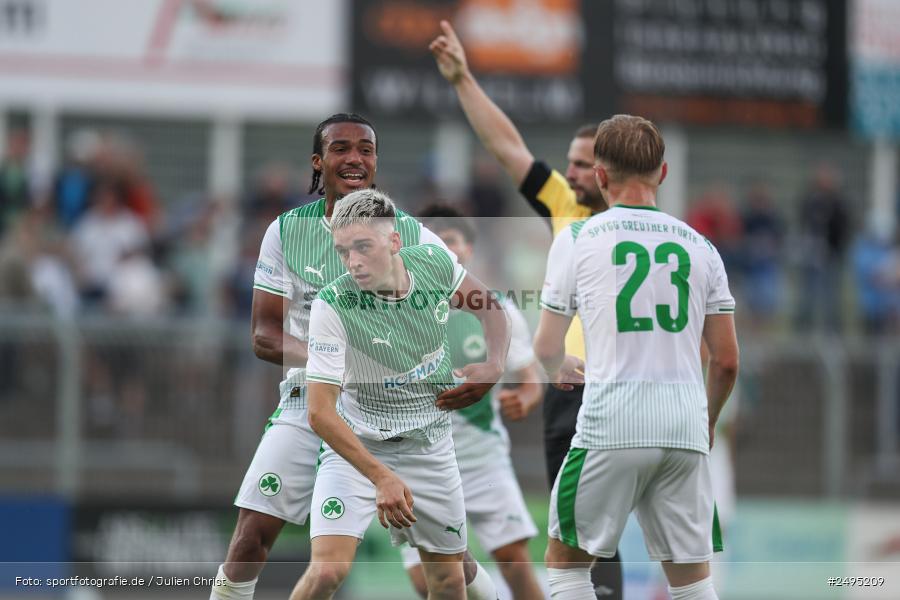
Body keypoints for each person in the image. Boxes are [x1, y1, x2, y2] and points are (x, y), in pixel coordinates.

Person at [209, 114, 497, 600]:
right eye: (341, 148)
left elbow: (479, 302)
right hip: (311, 401)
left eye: (366, 149)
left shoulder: (408, 233)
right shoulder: (285, 231)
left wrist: (489, 364)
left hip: (394, 411)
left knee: (452, 564)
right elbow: (263, 334)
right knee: (251, 535)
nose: (355, 159)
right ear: (317, 162)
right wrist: (336, 362)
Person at [429, 19, 623, 598]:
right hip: (569, 384)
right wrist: (463, 80)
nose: (571, 173)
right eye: (571, 162)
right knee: (577, 531)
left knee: (601, 528)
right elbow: (507, 146)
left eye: (583, 164)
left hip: (618, 382)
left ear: (611, 170)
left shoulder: (642, 227)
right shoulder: (567, 205)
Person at [534, 115, 739, 600]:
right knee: (693, 582)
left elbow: (545, 346)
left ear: (600, 175)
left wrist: (558, 366)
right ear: (662, 173)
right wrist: (707, 421)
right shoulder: (702, 247)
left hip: (612, 422)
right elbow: (727, 361)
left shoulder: (578, 239)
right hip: (684, 426)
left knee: (565, 567)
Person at [292, 190, 510, 600]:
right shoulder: (332, 305)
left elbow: (490, 307)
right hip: (358, 449)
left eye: (363, 247)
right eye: (343, 251)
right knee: (325, 573)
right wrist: (381, 476)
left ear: (394, 242)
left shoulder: (433, 263)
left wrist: (495, 365)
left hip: (430, 447)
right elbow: (319, 413)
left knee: (448, 582)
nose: (353, 262)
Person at [397, 203, 544, 599]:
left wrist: (525, 398)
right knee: (426, 580)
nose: (443, 249)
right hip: (419, 463)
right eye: (433, 241)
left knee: (513, 560)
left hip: (482, 461)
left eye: (450, 241)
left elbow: (530, 379)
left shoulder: (498, 309)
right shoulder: (396, 311)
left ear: (469, 249)